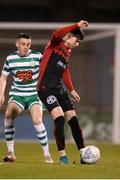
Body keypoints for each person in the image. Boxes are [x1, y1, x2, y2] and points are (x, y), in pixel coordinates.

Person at [37, 20, 89, 165]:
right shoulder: (54, 43)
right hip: (45, 89)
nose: (77, 44)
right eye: (76, 40)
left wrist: (71, 89)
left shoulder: (68, 52)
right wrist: (76, 25)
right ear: (70, 36)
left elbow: (64, 71)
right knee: (59, 117)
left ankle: (83, 153)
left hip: (59, 88)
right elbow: (57, 33)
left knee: (73, 118)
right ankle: (62, 156)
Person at [0, 33, 53, 163]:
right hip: (18, 94)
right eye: (23, 44)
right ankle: (10, 152)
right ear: (17, 43)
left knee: (37, 120)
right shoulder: (10, 58)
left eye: (28, 44)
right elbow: (3, 77)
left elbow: (48, 70)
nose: (25, 47)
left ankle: (47, 154)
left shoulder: (37, 56)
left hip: (34, 95)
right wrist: (1, 94)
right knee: (8, 115)